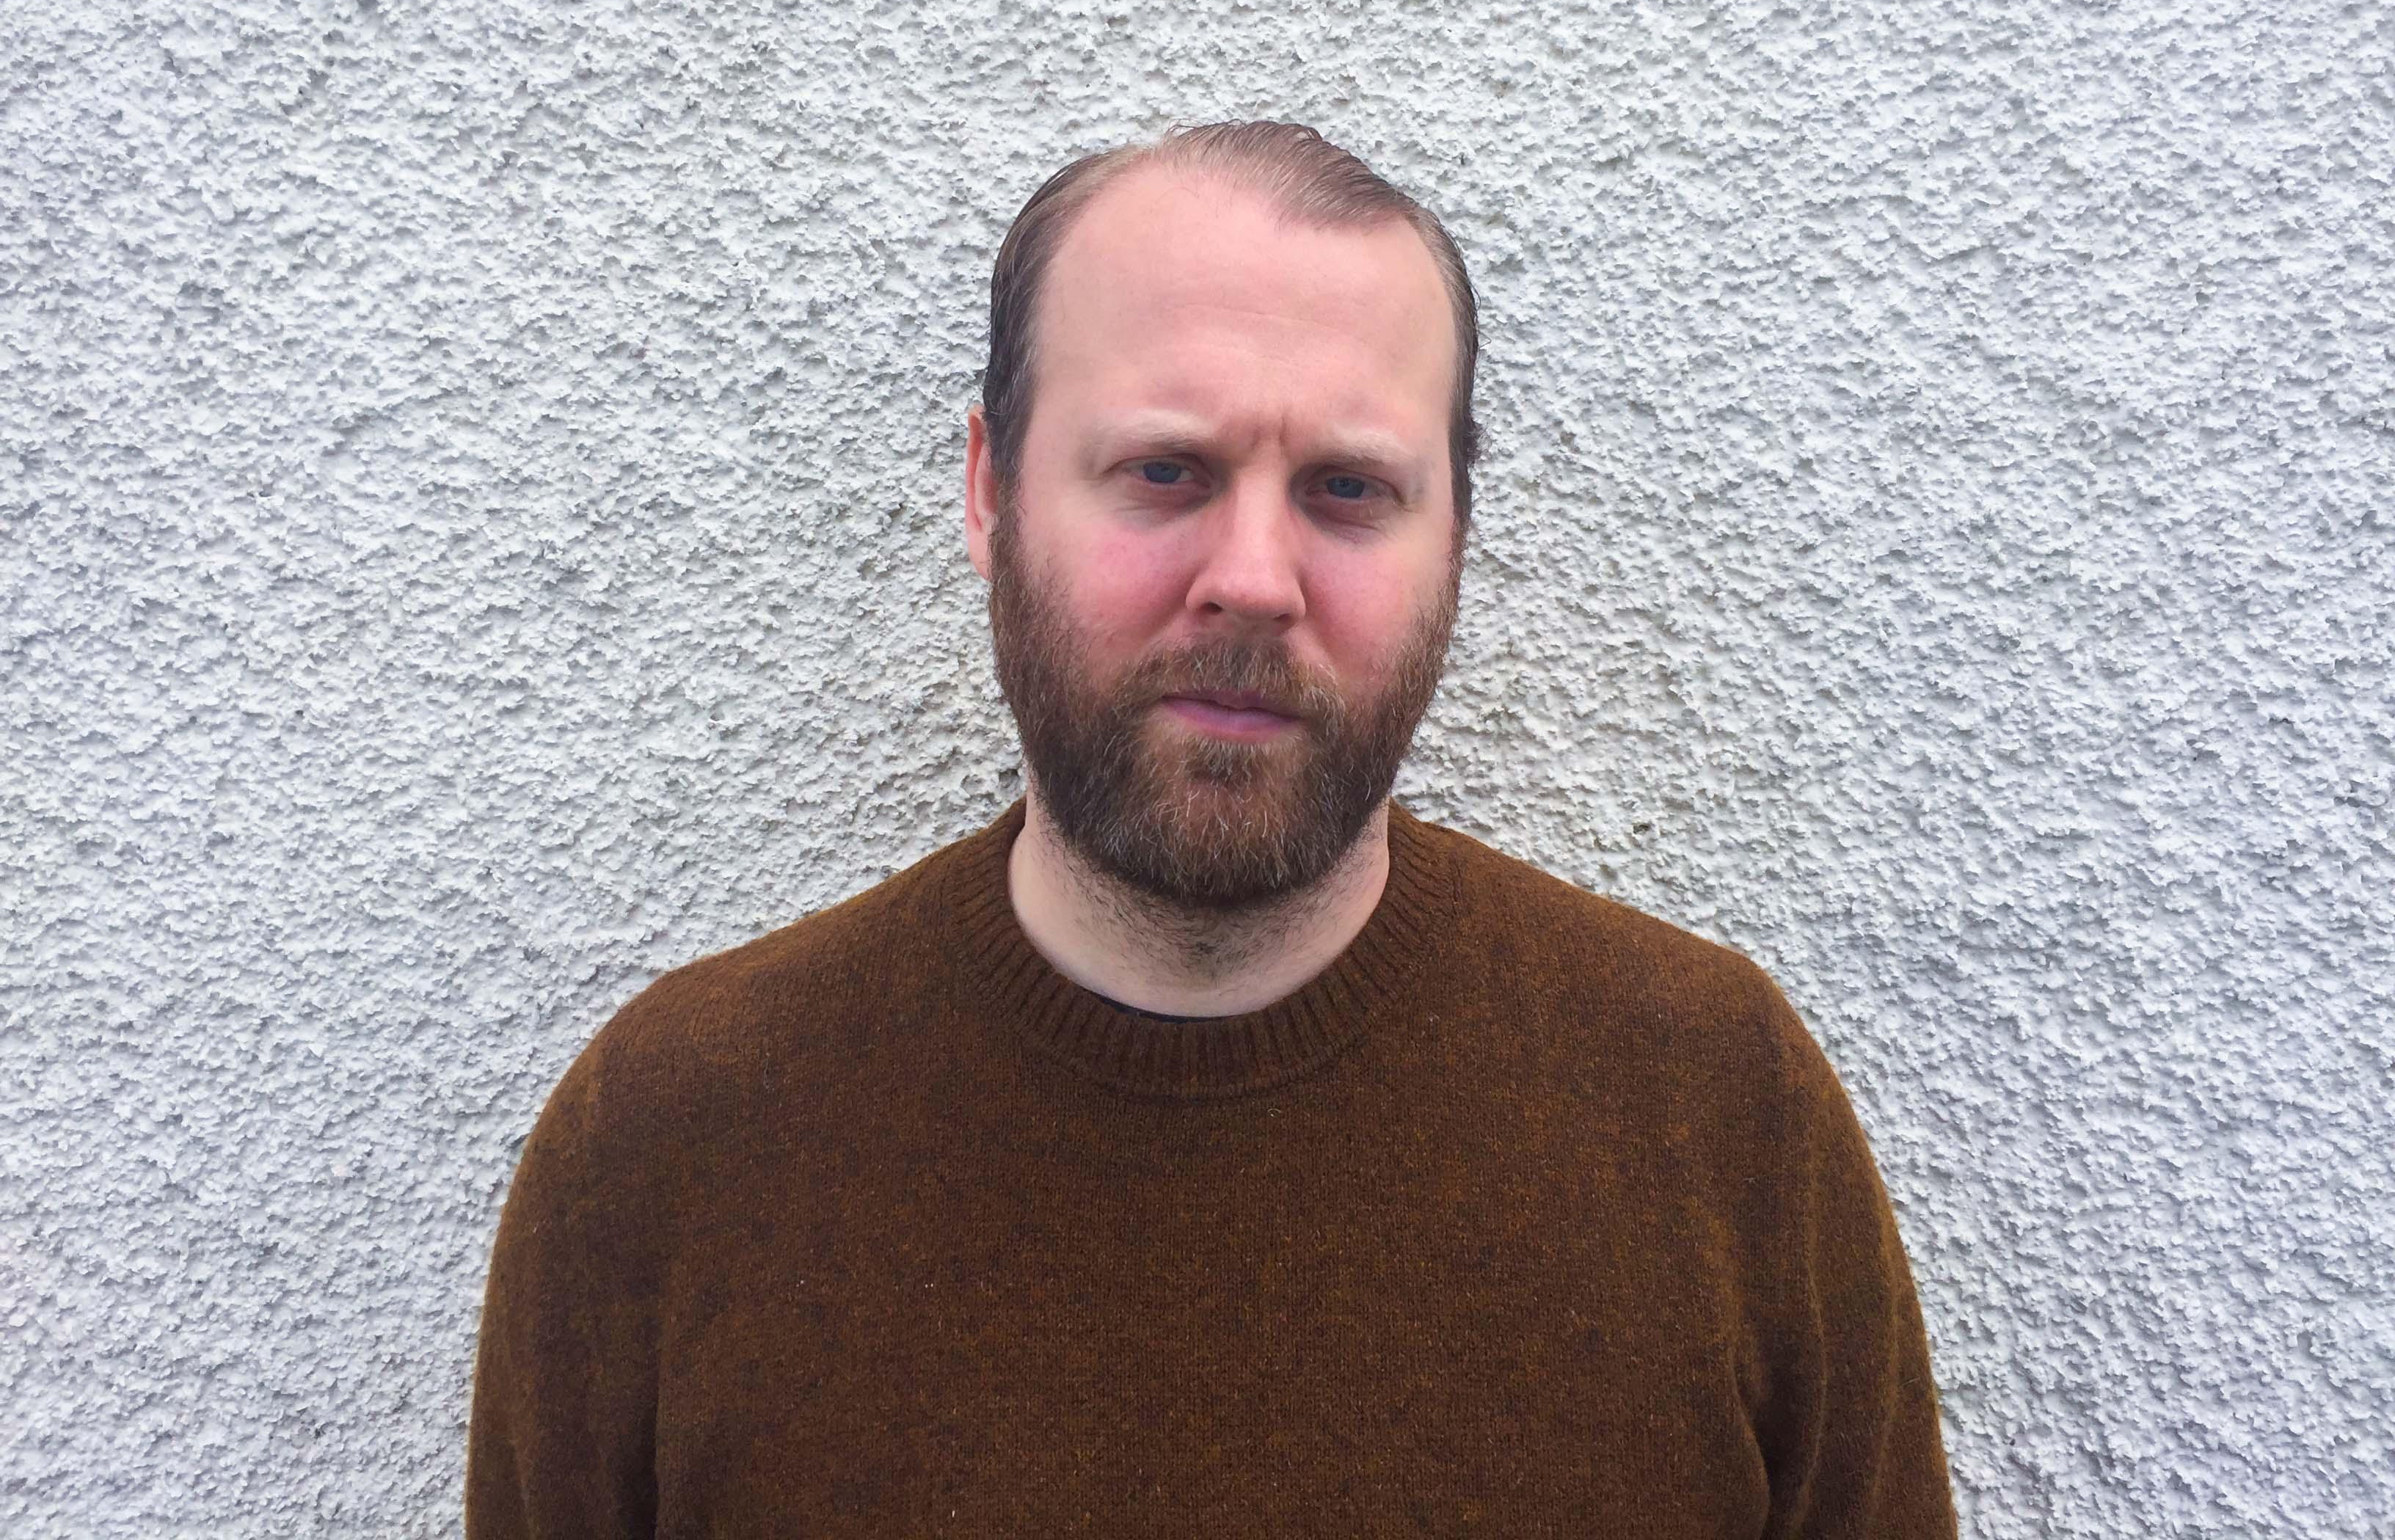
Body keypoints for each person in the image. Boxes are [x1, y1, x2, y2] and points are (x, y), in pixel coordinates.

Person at [465, 121, 1957, 1536]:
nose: (1254, 578)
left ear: (1456, 536)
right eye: (1166, 471)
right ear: (991, 494)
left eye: (1348, 489)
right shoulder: (666, 1145)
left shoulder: (1719, 1115)